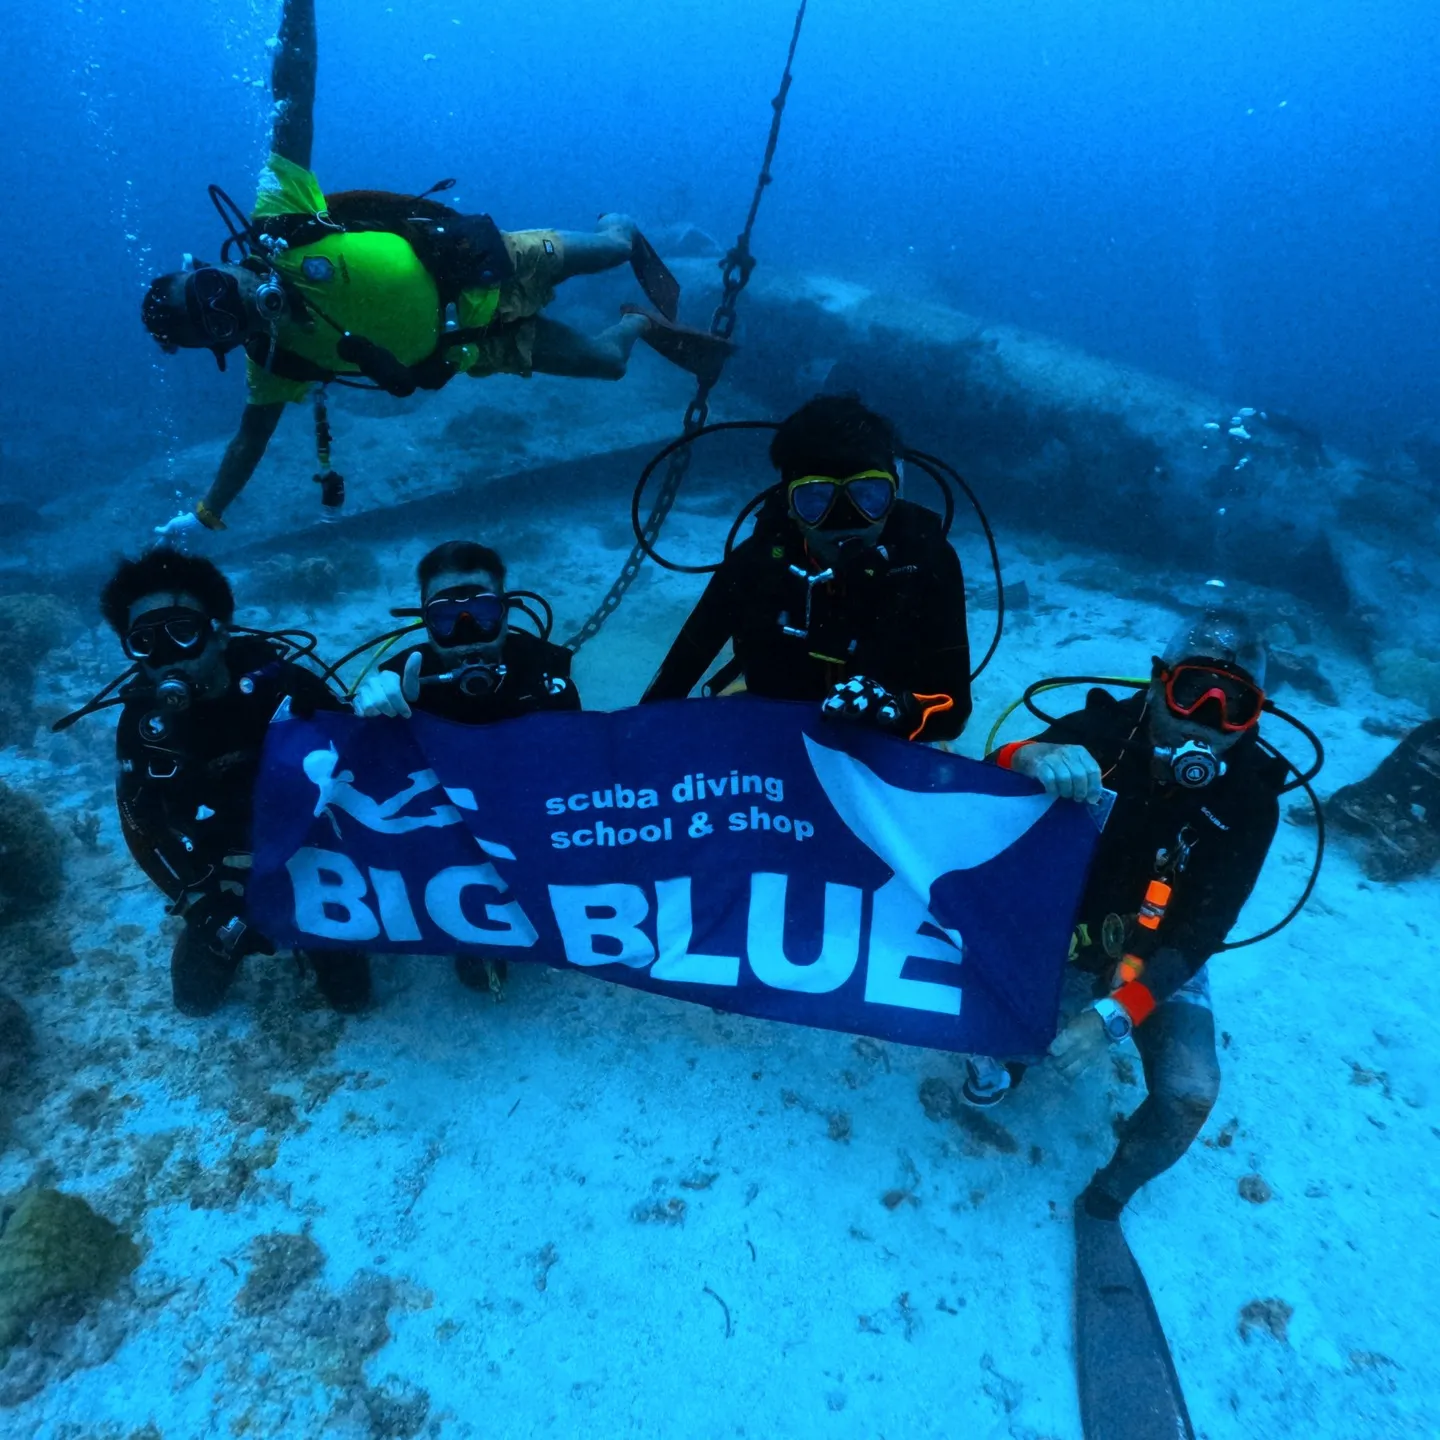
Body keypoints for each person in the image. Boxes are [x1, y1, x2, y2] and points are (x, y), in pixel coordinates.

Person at [143, 0, 728, 536]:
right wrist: (207, 513)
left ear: (213, 266)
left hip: (485, 261)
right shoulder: (275, 363)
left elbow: (293, 95)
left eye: (216, 290)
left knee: (614, 251)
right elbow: (251, 439)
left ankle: (618, 225)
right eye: (220, 322)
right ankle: (639, 322)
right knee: (607, 363)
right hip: (477, 340)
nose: (237, 305)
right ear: (223, 345)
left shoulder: (280, 222)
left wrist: (299, 6)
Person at [975, 610, 1286, 1225]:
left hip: (1158, 946)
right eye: (1192, 691)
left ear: (1253, 716)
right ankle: (1011, 1043)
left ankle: (1106, 1201)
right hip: (1057, 925)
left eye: (1234, 707)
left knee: (1190, 1093)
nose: (1206, 720)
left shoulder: (1251, 800)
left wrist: (1116, 1015)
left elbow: (1202, 931)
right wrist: (1028, 753)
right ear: (1157, 682)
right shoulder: (1098, 734)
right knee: (990, 1037)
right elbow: (977, 785)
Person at [101, 546, 372, 1016]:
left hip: (310, 859)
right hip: (218, 871)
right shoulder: (142, 728)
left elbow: (364, 768)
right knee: (194, 1002)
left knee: (353, 998)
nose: (166, 658)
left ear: (219, 633)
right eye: (144, 642)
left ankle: (321, 933)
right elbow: (141, 825)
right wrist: (197, 904)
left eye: (182, 632)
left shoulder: (286, 686)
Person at [641, 393, 973, 741]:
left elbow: (955, 712)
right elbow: (672, 681)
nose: (845, 519)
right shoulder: (755, 564)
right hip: (775, 731)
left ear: (894, 496)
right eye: (815, 499)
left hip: (882, 742)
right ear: (788, 505)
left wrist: (897, 711)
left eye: (867, 496)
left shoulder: (926, 564)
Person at [351, 540, 579, 993]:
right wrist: (366, 718)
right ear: (425, 623)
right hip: (444, 829)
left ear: (507, 614)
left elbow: (573, 774)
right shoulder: (400, 680)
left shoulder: (543, 673)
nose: (468, 631)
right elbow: (361, 784)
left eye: (482, 613)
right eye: (445, 618)